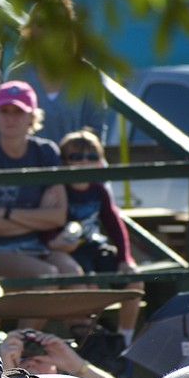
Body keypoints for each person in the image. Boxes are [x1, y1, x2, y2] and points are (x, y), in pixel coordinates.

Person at [0, 80, 83, 320]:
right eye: (5, 111)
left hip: (37, 245)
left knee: (74, 274)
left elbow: (58, 217)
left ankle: (84, 343)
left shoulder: (46, 151)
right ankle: (23, 345)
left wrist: (6, 214)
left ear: (32, 117)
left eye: (19, 111)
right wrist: (38, 217)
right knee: (47, 277)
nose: (11, 118)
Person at [46, 129, 143, 346]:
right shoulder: (57, 189)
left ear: (99, 162)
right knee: (88, 285)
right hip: (70, 250)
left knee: (135, 280)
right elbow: (47, 223)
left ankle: (124, 339)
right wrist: (54, 240)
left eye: (91, 157)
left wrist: (125, 259)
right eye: (75, 157)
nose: (83, 162)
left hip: (93, 245)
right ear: (63, 162)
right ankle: (87, 341)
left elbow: (114, 225)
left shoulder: (99, 190)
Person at [6, 0, 107, 145]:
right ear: (31, 29)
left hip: (74, 165)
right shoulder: (17, 75)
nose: (49, 30)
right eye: (41, 23)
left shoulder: (87, 75)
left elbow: (96, 128)